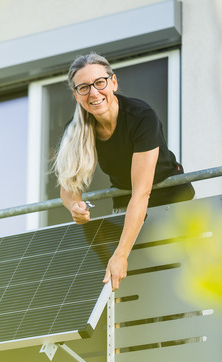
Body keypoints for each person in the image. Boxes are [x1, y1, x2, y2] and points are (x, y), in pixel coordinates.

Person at [53, 53, 194, 291]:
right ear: (76, 95)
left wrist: (120, 254)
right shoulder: (75, 129)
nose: (94, 93)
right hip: (126, 200)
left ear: (113, 82)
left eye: (100, 82)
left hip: (170, 198)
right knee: (136, 280)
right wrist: (74, 206)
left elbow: (142, 193)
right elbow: (68, 189)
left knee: (173, 282)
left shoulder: (141, 117)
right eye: (84, 87)